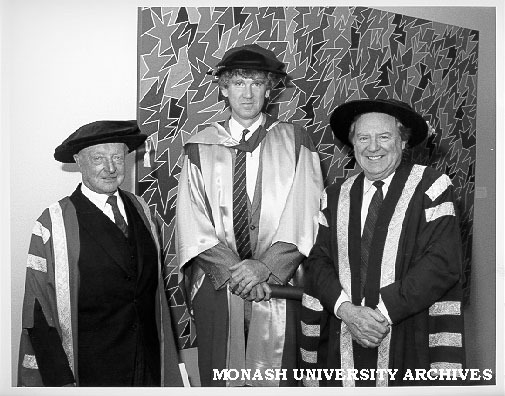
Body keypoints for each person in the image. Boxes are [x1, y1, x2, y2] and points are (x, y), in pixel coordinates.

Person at [175, 43, 323, 386]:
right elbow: (191, 221)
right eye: (238, 83)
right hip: (219, 283)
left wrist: (265, 268)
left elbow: (306, 211)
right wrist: (236, 273)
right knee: (222, 374)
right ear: (223, 89)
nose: (247, 92)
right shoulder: (200, 147)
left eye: (257, 83)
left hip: (279, 285)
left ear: (269, 88)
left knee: (277, 375)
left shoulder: (295, 140)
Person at [300, 98, 465, 386]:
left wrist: (380, 316)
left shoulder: (432, 187)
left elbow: (441, 263)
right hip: (345, 333)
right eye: (363, 137)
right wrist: (347, 311)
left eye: (384, 137)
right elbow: (319, 261)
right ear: (353, 144)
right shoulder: (336, 195)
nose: (372, 147)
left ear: (403, 142)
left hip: (408, 331)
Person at [18, 120, 183, 387]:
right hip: (91, 370)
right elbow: (38, 312)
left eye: (117, 157)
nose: (110, 168)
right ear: (78, 161)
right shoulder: (53, 223)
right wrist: (61, 381)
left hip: (147, 365)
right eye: (98, 158)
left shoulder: (141, 209)